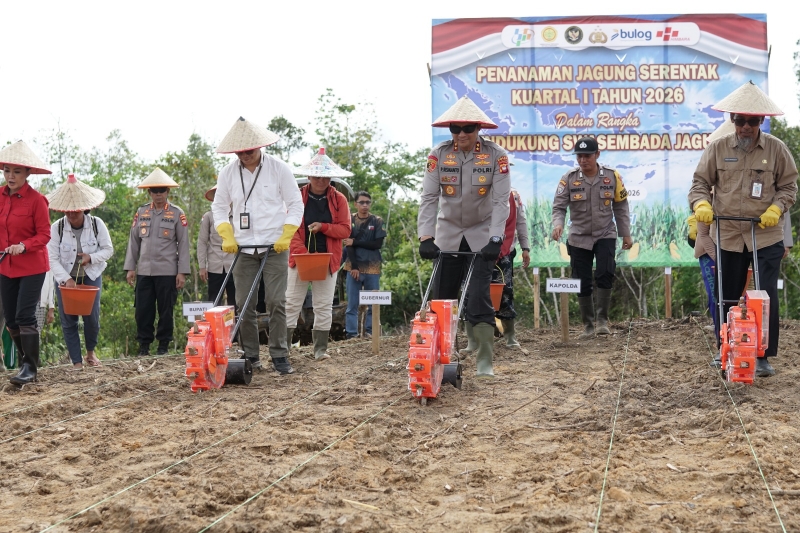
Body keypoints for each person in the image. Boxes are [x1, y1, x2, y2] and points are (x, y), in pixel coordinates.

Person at [689, 81, 798, 377]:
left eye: (751, 121)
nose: (745, 127)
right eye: (739, 121)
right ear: (732, 121)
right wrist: (701, 204)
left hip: (765, 234)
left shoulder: (777, 150)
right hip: (728, 234)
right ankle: (724, 346)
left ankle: (762, 355)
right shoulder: (718, 148)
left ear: (761, 121)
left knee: (764, 296)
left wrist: (777, 208)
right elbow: (699, 183)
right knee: (726, 294)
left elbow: (789, 187)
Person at [418, 95, 511, 378]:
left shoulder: (497, 156)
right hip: (447, 234)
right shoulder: (439, 155)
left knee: (480, 296)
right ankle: (441, 358)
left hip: (481, 234)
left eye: (467, 128)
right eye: (455, 129)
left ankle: (485, 362)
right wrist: (425, 237)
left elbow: (500, 201)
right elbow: (429, 197)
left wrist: (496, 238)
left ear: (478, 128)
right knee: (442, 299)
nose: (461, 135)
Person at [212, 117, 303, 374]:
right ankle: (250, 355)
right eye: (239, 153)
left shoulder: (279, 169)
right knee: (244, 304)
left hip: (275, 245)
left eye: (249, 151)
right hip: (242, 247)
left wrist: (286, 233)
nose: (245, 156)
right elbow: (219, 207)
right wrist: (225, 233)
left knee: (276, 301)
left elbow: (295, 204)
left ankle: (279, 354)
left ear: (259, 147)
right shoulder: (228, 172)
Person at [551, 137, 633, 340]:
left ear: (597, 154)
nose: (582, 160)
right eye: (579, 156)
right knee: (582, 279)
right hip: (578, 236)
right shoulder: (569, 178)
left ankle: (602, 321)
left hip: (605, 233)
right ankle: (588, 324)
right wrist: (558, 224)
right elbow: (559, 207)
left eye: (587, 156)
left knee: (605, 273)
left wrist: (626, 234)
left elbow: (621, 206)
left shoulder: (612, 176)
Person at [287, 148, 352, 359]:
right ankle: (283, 350)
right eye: (316, 175)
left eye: (325, 176)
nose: (321, 180)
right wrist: (302, 253)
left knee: (323, 305)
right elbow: (290, 227)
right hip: (299, 259)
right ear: (308, 176)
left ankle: (320, 350)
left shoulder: (339, 199)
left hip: (328, 259)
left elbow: (345, 230)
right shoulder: (297, 197)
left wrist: (323, 227)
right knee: (291, 303)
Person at [47, 174, 113, 369]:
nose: (71, 215)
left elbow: (108, 250)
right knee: (68, 320)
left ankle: (90, 354)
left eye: (75, 211)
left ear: (84, 208)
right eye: (67, 211)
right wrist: (66, 279)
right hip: (66, 279)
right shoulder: (57, 228)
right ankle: (76, 362)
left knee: (92, 317)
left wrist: (90, 258)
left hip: (91, 276)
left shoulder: (96, 224)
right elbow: (52, 258)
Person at [0, 141, 52, 385]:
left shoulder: (37, 200)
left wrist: (24, 245)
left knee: (24, 315)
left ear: (27, 173)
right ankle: (24, 362)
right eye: (7, 170)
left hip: (32, 267)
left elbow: (45, 235)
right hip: (5, 266)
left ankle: (30, 368)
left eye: (16, 171)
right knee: (10, 319)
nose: (10, 176)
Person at [124, 168, 190, 356]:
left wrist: (182, 272)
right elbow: (134, 241)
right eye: (155, 191)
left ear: (168, 192)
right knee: (143, 310)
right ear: (149, 192)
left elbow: (184, 244)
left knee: (166, 310)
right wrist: (130, 268)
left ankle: (163, 346)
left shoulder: (177, 214)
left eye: (162, 190)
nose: (158, 194)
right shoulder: (142, 212)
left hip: (168, 271)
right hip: (144, 270)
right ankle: (144, 346)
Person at [343, 191, 386, 339]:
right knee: (352, 304)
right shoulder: (349, 220)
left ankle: (370, 332)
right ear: (355, 204)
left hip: (372, 267)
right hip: (353, 267)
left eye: (368, 202)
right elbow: (348, 245)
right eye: (361, 202)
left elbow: (377, 244)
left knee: (373, 303)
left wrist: (356, 242)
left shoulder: (378, 221)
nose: (365, 205)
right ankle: (351, 334)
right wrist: (354, 266)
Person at [198, 185, 236, 307]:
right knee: (214, 301)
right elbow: (202, 242)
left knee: (235, 302)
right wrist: (202, 266)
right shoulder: (208, 217)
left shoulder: (239, 216)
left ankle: (237, 326)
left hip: (234, 265)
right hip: (214, 265)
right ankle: (214, 326)